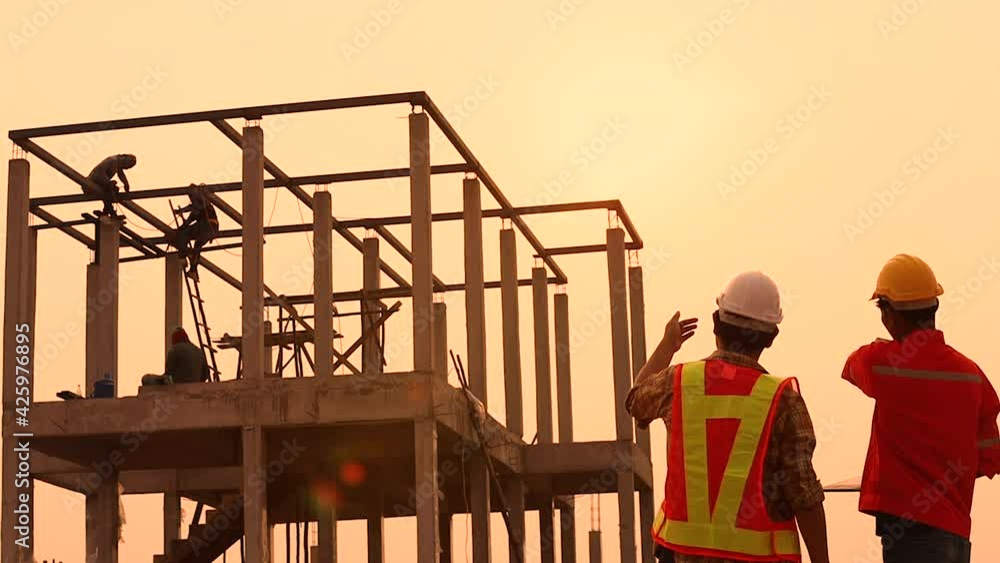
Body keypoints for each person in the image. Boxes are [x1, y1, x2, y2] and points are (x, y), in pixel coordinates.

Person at [626, 271, 830, 563]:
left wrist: (666, 347)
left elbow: (636, 400)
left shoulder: (680, 382)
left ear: (715, 324)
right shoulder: (783, 400)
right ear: (771, 337)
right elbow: (804, 493)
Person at [841, 254, 1000, 563]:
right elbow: (990, 458)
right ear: (934, 307)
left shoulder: (882, 362)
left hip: (911, 534)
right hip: (955, 533)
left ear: (889, 314)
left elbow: (851, 366)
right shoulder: (971, 374)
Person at [173, 184, 220, 279]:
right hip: (212, 230)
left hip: (206, 226)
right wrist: (181, 211)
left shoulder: (201, 204)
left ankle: (184, 256)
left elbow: (188, 220)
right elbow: (190, 216)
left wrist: (178, 232)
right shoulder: (204, 206)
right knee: (197, 246)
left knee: (183, 235)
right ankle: (193, 270)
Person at [141, 327, 210, 386]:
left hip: (176, 385)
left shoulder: (175, 349)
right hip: (195, 385)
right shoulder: (198, 351)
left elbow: (168, 373)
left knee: (146, 378)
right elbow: (206, 373)